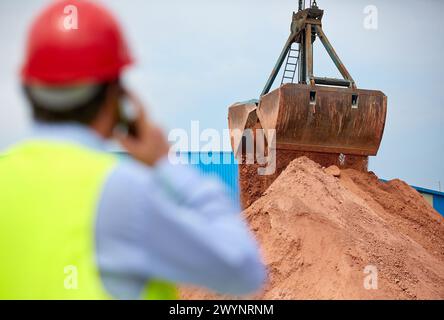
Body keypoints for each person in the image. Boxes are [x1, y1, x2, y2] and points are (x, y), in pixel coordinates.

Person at [0, 0, 265, 299]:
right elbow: (243, 271)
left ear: (28, 89)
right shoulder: (118, 190)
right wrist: (168, 164)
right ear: (116, 94)